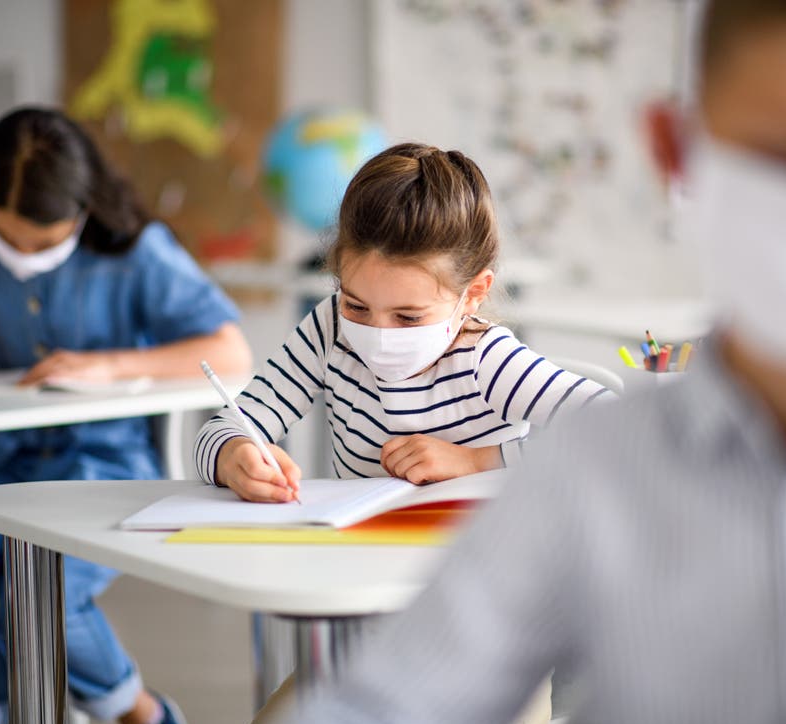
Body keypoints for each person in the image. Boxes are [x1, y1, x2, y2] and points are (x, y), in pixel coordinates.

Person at [253, 1, 786, 724]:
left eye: (406, 315)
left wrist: (473, 455)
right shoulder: (595, 470)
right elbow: (393, 709)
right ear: (677, 151)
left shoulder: (540, 413)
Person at [0, 107, 251, 724]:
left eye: (45, 243)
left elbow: (231, 351)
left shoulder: (136, 249)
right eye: (7, 239)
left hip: (108, 464)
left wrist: (111, 364)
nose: (24, 257)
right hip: (6, 466)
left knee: (41, 598)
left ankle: (144, 719)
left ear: (83, 208)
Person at [194, 142, 611, 504]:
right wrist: (234, 455)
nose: (377, 335)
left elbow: (618, 430)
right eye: (357, 306)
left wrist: (477, 460)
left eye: (408, 317)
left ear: (474, 293)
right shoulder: (328, 328)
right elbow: (225, 426)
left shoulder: (485, 359)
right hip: (362, 562)